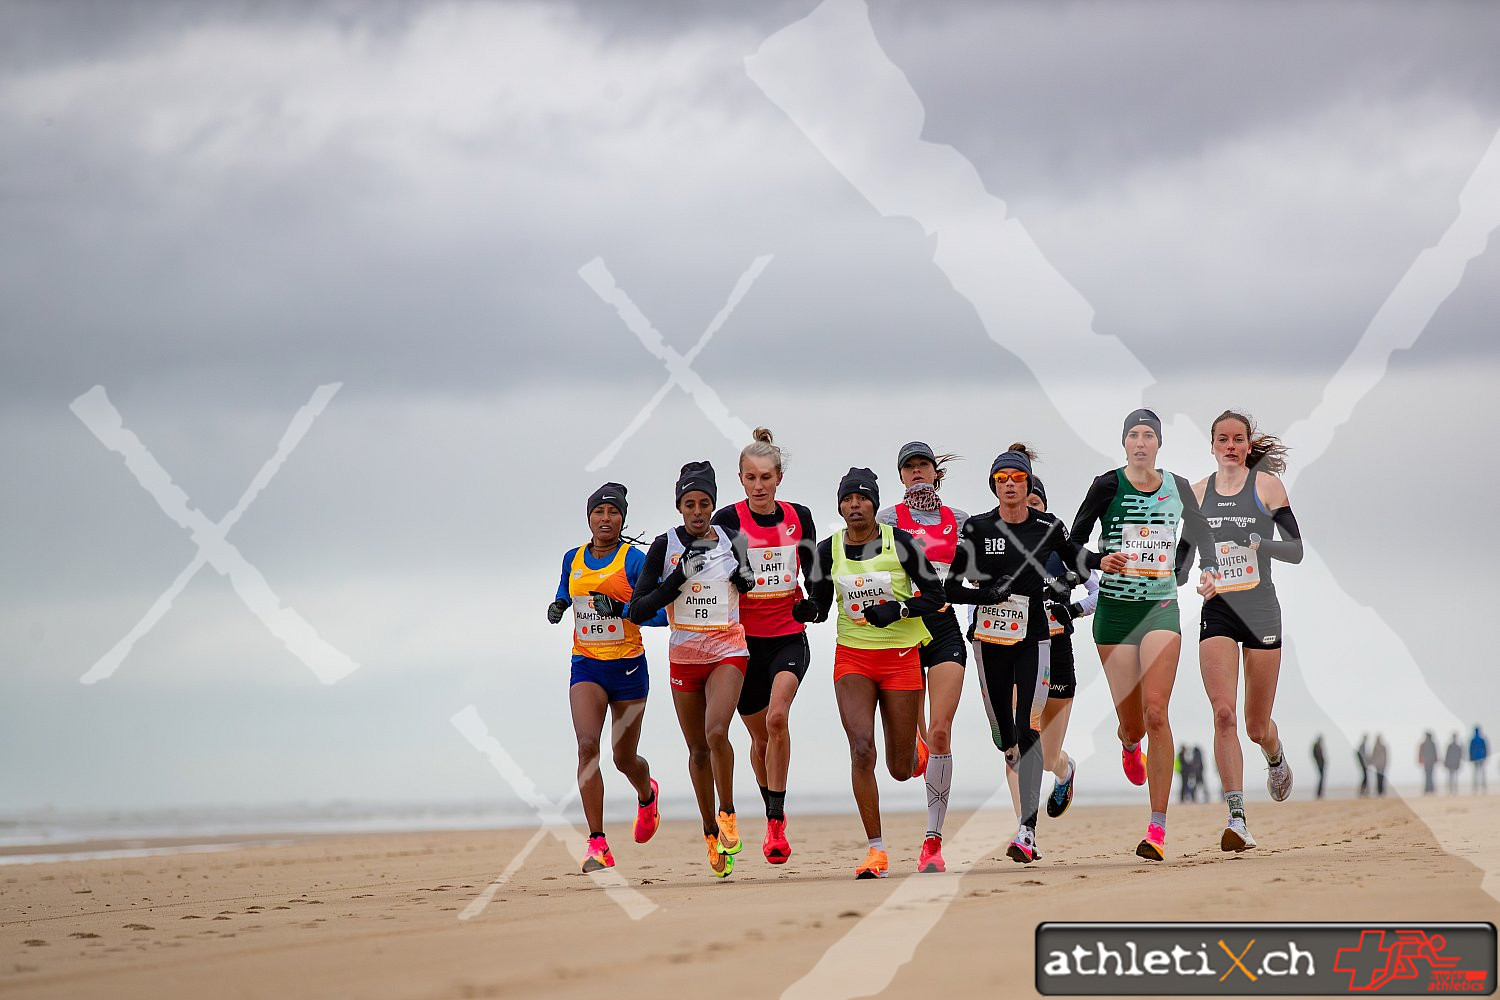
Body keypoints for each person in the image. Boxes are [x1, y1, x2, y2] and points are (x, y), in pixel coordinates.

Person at [1069, 409, 1218, 860]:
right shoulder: (1107, 486)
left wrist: (1191, 569)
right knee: (1134, 724)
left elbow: (1200, 535)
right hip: (1114, 614)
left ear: (1158, 444)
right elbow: (1071, 544)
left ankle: (1157, 828)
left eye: (1148, 435)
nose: (1140, 441)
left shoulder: (1178, 487)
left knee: (1157, 712)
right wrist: (1097, 561)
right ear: (1124, 443)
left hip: (1159, 609)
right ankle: (1129, 744)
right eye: (1133, 434)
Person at [946, 445, 1101, 863]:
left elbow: (1091, 581)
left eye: (1022, 484)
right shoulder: (983, 532)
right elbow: (960, 587)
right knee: (1011, 740)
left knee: (1039, 745)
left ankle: (1034, 818)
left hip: (1048, 646)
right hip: (996, 643)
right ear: (994, 486)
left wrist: (1076, 599)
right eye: (1003, 480)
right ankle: (1024, 818)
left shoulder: (1052, 536)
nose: (1015, 491)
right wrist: (981, 604)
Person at [806, 467, 945, 878]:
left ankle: (915, 748)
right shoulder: (827, 550)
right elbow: (820, 605)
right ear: (840, 507)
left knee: (900, 770)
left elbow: (935, 596)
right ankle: (876, 851)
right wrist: (806, 610)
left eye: (862, 498)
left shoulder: (900, 543)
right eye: (848, 499)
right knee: (862, 749)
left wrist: (898, 610)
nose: (855, 506)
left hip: (900, 656)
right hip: (853, 658)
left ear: (874, 505)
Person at [627, 461, 757, 878]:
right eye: (690, 504)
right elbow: (638, 609)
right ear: (679, 507)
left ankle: (728, 813)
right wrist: (679, 577)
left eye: (704, 503)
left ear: (713, 505)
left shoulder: (733, 538)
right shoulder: (664, 546)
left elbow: (748, 578)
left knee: (716, 731)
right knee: (698, 750)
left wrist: (745, 579)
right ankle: (709, 833)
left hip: (728, 649)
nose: (698, 512)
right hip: (684, 657)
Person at [1192, 410, 1304, 852]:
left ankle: (1274, 755)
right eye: (1223, 439)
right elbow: (1184, 558)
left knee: (1256, 726)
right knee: (1223, 713)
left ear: (1247, 444)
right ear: (1213, 445)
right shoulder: (1197, 493)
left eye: (1238, 439)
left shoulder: (1267, 487)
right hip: (1218, 610)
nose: (1231, 446)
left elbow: (1295, 550)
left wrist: (1260, 543)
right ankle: (1236, 817)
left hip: (1260, 611)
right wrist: (1199, 576)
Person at [710, 428, 818, 864]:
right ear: (740, 479)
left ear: (779, 479)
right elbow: (712, 574)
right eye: (751, 478)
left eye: (766, 477)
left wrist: (816, 605)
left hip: (788, 637)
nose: (759, 486)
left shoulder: (798, 517)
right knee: (759, 739)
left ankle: (775, 823)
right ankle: (773, 805)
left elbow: (815, 572)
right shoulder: (727, 520)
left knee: (777, 718)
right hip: (742, 645)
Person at [547, 483, 665, 873]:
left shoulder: (635, 561)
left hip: (628, 669)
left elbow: (660, 614)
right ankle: (597, 843)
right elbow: (567, 588)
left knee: (623, 757)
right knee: (586, 747)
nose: (605, 518)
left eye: (613, 512)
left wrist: (621, 609)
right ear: (589, 517)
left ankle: (646, 796)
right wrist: (559, 604)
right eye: (599, 511)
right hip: (587, 666)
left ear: (622, 519)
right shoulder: (573, 558)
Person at [876, 442, 969, 873]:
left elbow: (975, 573)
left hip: (945, 629)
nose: (917, 472)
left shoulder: (960, 520)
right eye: (909, 467)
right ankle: (916, 743)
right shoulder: (889, 520)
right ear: (901, 475)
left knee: (941, 733)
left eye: (923, 466)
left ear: (935, 472)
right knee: (915, 748)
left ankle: (933, 841)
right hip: (904, 630)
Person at [1026, 476, 1098, 823]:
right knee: (1019, 744)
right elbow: (975, 598)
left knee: (1046, 757)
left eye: (1035, 503)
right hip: (1017, 651)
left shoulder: (1062, 550)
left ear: (1044, 507)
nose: (1027, 509)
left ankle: (1065, 771)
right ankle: (1024, 826)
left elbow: (1098, 592)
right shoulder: (999, 547)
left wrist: (1074, 610)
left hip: (1056, 651)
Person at [1472, 726, 1490, 793]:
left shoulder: (1473, 740)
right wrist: (1485, 756)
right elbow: (1485, 749)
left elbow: (1471, 750)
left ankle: (1476, 788)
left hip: (1476, 758)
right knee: (1482, 774)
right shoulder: (1482, 739)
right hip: (1481, 758)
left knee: (1476, 774)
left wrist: (1471, 758)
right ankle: (1483, 787)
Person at [1312, 735, 1327, 799]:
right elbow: (1316, 755)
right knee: (1321, 778)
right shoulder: (1317, 746)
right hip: (1320, 764)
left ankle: (1320, 793)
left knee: (1321, 778)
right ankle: (1319, 793)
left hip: (1321, 764)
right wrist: (1319, 762)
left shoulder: (1318, 745)